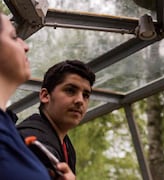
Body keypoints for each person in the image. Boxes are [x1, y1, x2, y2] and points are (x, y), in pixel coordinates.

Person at [0, 12, 75, 179]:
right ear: (44, 96)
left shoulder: (9, 127)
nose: (26, 46)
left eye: (86, 94)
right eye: (13, 37)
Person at [18, 59, 95, 175]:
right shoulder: (32, 141)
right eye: (70, 90)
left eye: (85, 95)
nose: (80, 100)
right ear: (45, 96)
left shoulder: (67, 147)